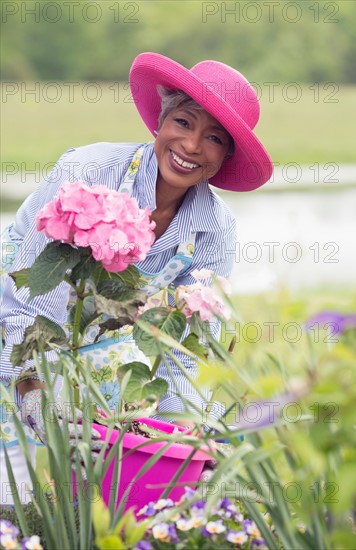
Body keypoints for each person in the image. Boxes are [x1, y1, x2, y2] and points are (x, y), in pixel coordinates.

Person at [0, 52, 273, 504]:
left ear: (225, 156)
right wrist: (35, 393)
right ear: (161, 120)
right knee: (16, 497)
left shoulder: (215, 229)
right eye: (183, 122)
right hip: (19, 327)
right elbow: (28, 295)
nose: (191, 146)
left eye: (214, 138)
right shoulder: (89, 172)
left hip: (95, 356)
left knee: (89, 499)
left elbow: (187, 346)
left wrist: (186, 437)